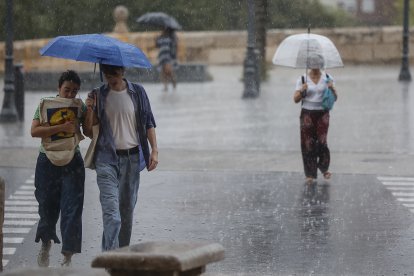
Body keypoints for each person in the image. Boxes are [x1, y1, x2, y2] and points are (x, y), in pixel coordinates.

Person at [85, 63, 158, 251]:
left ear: (123, 72)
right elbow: (88, 131)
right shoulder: (98, 95)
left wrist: (154, 150)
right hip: (106, 160)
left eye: (114, 73)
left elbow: (149, 122)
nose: (111, 78)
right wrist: (90, 109)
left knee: (126, 214)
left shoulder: (138, 92)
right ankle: (109, 259)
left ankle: (122, 257)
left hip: (132, 160)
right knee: (112, 215)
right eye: (107, 74)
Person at [31, 70, 92, 267]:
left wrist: (90, 110)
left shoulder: (79, 105)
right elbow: (34, 131)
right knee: (47, 207)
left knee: (72, 208)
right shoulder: (45, 103)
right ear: (58, 88)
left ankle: (67, 257)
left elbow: (89, 132)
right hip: (47, 160)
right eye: (67, 90)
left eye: (74, 91)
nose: (70, 95)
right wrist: (60, 128)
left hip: (72, 161)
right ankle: (45, 244)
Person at [293, 54, 338, 185]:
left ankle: (324, 168)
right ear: (309, 65)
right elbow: (295, 99)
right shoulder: (302, 79)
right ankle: (310, 174)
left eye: (318, 65)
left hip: (323, 113)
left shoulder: (328, 78)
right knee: (308, 143)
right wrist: (302, 91)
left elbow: (335, 98)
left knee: (322, 141)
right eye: (313, 65)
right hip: (307, 113)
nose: (315, 68)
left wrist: (332, 88)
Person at [156, 27, 178, 91]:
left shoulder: (171, 37)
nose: (162, 31)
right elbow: (157, 45)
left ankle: (173, 84)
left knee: (169, 72)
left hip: (168, 57)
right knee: (163, 72)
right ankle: (166, 86)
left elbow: (174, 47)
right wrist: (155, 39)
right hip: (162, 56)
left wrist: (173, 57)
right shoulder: (161, 37)